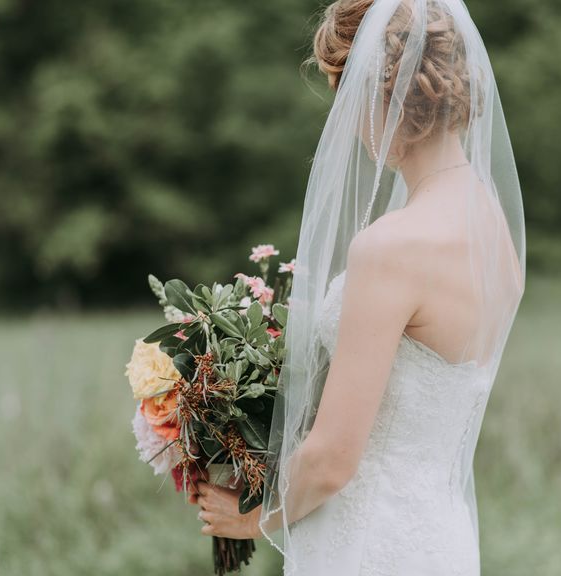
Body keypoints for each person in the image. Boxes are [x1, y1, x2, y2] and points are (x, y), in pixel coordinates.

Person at [192, 0, 525, 573]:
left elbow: (332, 460)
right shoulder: (495, 232)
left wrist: (250, 517)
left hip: (366, 547)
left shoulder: (390, 249)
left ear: (378, 95)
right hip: (441, 542)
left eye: (343, 95)